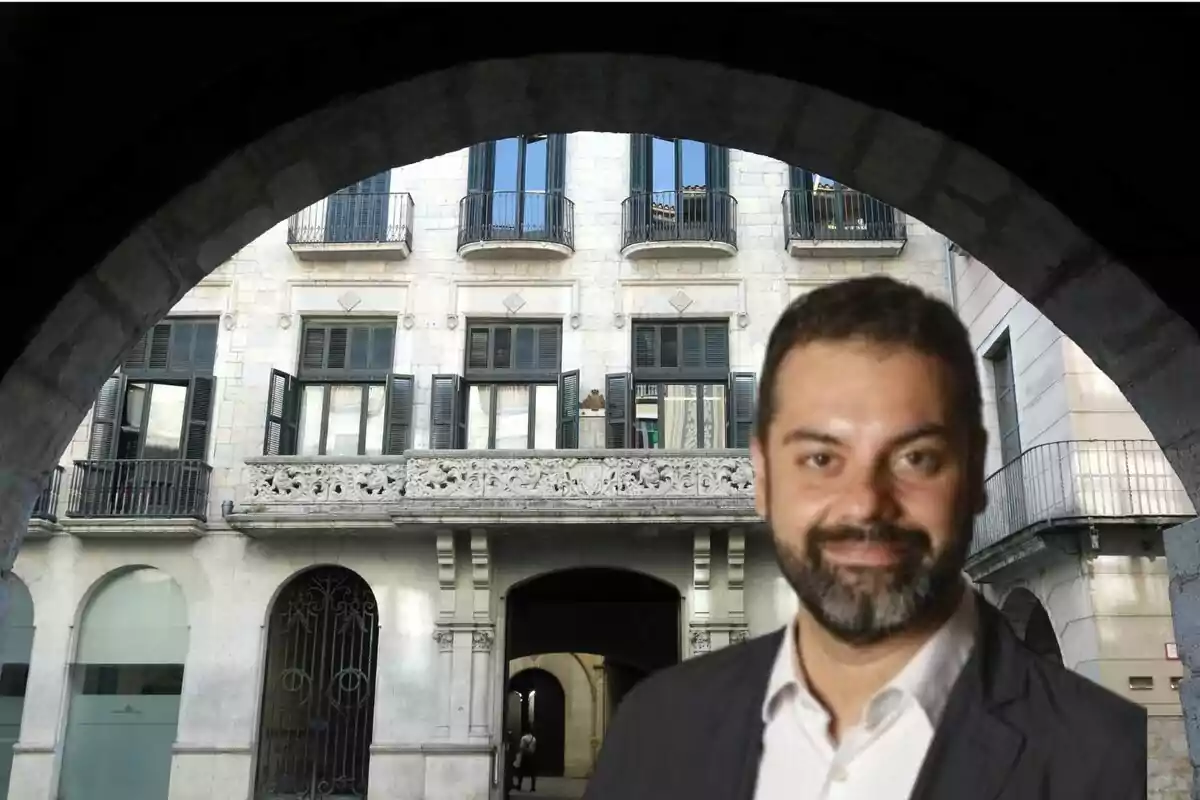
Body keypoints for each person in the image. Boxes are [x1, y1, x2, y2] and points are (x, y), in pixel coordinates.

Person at [583, 276, 1146, 800]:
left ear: (974, 474)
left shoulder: (1108, 758)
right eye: (821, 457)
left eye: (916, 457)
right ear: (763, 477)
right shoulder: (649, 730)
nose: (865, 504)